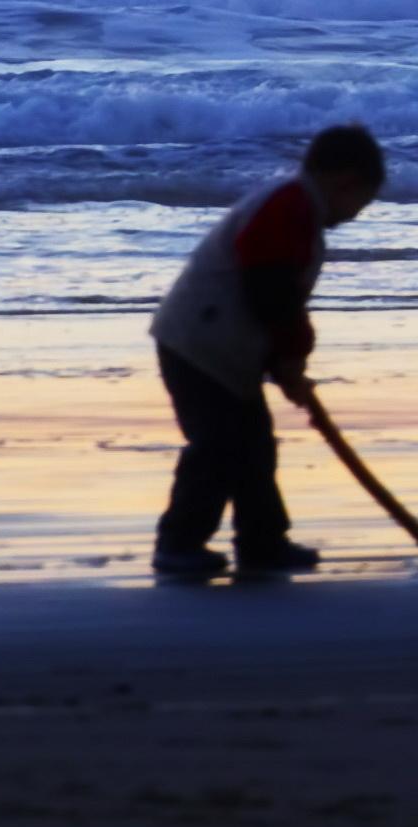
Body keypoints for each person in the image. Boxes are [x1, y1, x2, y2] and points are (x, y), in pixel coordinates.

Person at [148, 124, 387, 579]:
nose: (357, 214)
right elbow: (271, 289)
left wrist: (284, 363)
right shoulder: (289, 205)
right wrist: (291, 356)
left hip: (221, 347)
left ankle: (262, 540)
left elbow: (274, 300)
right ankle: (178, 543)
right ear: (346, 182)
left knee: (253, 444)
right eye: (362, 202)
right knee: (218, 446)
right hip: (199, 344)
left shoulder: (297, 206)